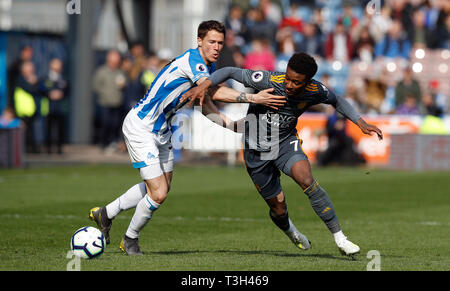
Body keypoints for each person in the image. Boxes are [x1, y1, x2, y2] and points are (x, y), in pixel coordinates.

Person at [88, 20, 286, 256]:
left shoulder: (208, 69)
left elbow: (205, 106)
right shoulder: (194, 62)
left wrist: (233, 126)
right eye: (212, 42)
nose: (217, 47)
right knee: (158, 192)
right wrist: (253, 99)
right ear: (199, 41)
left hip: (162, 130)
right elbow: (214, 91)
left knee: (162, 188)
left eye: (220, 43)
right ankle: (130, 240)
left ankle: (106, 214)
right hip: (142, 126)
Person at [183, 52, 383, 257]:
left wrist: (361, 123)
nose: (288, 84)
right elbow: (230, 71)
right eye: (287, 78)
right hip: (256, 151)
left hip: (285, 143)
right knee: (278, 208)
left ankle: (340, 238)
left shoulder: (315, 91)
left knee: (307, 179)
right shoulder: (270, 81)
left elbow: (337, 100)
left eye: (295, 82)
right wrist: (204, 84)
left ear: (307, 82)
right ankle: (290, 230)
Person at [92, 50, 127, 152]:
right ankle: (103, 144)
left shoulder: (120, 72)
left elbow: (124, 84)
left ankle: (113, 143)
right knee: (105, 123)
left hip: (117, 102)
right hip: (105, 102)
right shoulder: (101, 71)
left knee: (115, 124)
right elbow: (96, 85)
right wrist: (104, 93)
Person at [44, 58, 68, 155]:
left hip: (60, 107)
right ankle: (49, 148)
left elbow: (67, 90)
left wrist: (61, 94)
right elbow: (42, 89)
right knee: (49, 128)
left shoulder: (63, 78)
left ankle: (59, 148)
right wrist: (50, 93)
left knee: (60, 129)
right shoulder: (46, 78)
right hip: (49, 107)